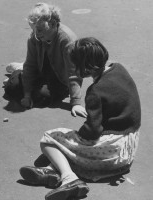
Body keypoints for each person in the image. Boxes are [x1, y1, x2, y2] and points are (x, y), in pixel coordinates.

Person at [19, 37, 141, 200]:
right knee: (68, 149)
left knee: (50, 138)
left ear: (84, 68)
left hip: (112, 151)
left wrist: (77, 136)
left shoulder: (95, 92)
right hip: (128, 149)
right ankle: (51, 171)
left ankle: (69, 178)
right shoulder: (119, 69)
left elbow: (92, 131)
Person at [4, 3, 86, 117]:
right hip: (41, 71)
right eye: (34, 30)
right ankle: (19, 71)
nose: (36, 34)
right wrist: (27, 95)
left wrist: (76, 102)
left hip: (59, 79)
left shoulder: (67, 41)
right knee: (11, 87)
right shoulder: (35, 37)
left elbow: (73, 73)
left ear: (52, 24)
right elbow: (30, 65)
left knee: (42, 96)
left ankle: (19, 72)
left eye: (39, 29)